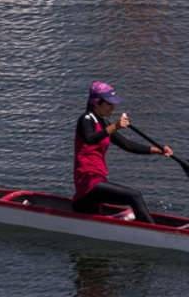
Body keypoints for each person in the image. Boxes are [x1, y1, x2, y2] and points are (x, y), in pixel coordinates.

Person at [72, 81, 172, 223]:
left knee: (98, 212)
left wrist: (156, 150)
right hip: (87, 183)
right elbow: (90, 139)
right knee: (135, 196)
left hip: (98, 181)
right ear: (96, 103)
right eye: (109, 104)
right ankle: (156, 233)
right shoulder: (86, 119)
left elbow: (126, 145)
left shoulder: (103, 123)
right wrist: (116, 126)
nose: (112, 108)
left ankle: (147, 229)